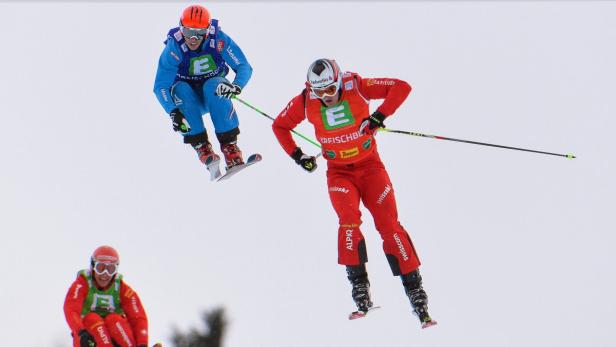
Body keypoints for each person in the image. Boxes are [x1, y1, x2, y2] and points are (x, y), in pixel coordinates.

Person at [272, 59, 436, 327]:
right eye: (320, 92)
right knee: (348, 221)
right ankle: (359, 287)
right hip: (339, 173)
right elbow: (280, 126)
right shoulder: (305, 100)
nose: (326, 97)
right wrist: (298, 156)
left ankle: (416, 291)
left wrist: (378, 116)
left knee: (389, 226)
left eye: (330, 89)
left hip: (370, 167)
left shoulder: (356, 86)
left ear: (338, 81)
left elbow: (401, 87)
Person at [154, 4, 253, 173]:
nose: (193, 38)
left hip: (214, 95)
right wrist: (172, 111)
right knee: (180, 89)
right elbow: (161, 86)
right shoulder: (174, 48)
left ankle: (230, 147)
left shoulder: (218, 40)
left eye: (199, 33)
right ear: (181, 28)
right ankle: (202, 146)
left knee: (214, 84)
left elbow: (244, 66)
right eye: (188, 32)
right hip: (189, 100)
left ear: (207, 31)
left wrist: (236, 86)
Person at [64, 246, 150, 347]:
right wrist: (80, 331)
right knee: (92, 318)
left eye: (110, 269)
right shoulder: (82, 284)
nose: (105, 274)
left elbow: (138, 317)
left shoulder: (122, 288)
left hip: (117, 334)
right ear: (92, 266)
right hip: (88, 337)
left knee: (113, 319)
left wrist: (142, 342)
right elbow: (71, 310)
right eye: (100, 268)